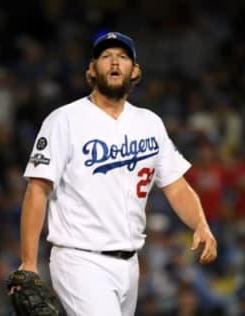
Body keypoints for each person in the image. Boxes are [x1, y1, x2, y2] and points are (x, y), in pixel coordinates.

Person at [12, 31, 217, 316]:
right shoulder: (65, 120)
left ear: (135, 71)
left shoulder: (150, 123)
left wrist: (200, 224)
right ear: (92, 70)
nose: (115, 62)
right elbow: (37, 189)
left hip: (130, 264)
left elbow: (176, 186)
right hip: (80, 259)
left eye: (123, 57)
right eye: (106, 56)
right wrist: (29, 262)